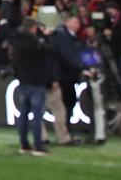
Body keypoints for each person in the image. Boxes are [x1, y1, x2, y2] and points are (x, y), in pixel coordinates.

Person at [10, 18, 50, 156]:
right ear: (33, 28)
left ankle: (24, 144)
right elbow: (49, 50)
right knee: (37, 116)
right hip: (37, 82)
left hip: (23, 81)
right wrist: (45, 36)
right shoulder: (35, 41)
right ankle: (38, 146)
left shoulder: (17, 41)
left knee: (23, 115)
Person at [51, 14, 90, 145]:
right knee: (65, 104)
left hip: (68, 76)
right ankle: (64, 134)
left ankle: (66, 132)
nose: (77, 26)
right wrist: (81, 68)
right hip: (64, 77)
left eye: (78, 24)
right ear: (67, 22)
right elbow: (67, 55)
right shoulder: (62, 36)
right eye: (74, 23)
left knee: (69, 103)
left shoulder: (69, 37)